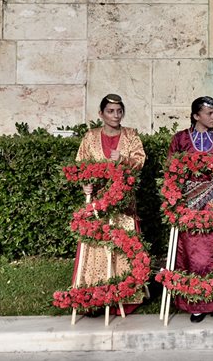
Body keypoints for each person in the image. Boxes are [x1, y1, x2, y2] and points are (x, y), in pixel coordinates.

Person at [72, 93, 146, 314]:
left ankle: (124, 295)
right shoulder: (90, 137)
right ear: (101, 114)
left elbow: (140, 161)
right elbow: (80, 166)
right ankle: (93, 297)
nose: (116, 115)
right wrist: (84, 185)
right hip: (97, 203)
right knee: (97, 245)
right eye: (111, 111)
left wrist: (123, 160)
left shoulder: (131, 135)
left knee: (123, 244)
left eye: (119, 111)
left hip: (123, 202)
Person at [167, 96, 213, 324]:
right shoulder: (180, 139)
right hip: (189, 204)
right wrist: (173, 203)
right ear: (196, 115)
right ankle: (195, 305)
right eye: (209, 113)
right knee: (192, 254)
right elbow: (171, 174)